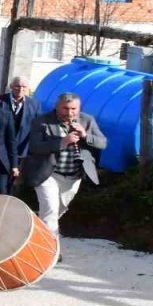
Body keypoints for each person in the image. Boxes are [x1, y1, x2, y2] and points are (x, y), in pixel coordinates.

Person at [21, 92, 106, 238]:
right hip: (48, 174)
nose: (70, 112)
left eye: (74, 109)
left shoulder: (87, 120)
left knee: (57, 211)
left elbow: (103, 143)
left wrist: (85, 136)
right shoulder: (42, 121)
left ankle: (35, 230)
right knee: (50, 211)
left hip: (74, 176)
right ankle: (52, 250)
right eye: (65, 108)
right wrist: (62, 142)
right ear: (57, 106)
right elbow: (35, 147)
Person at [3, 76, 41, 165]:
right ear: (11, 86)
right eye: (17, 86)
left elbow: (38, 126)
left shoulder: (35, 104)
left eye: (24, 87)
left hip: (22, 150)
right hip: (1, 149)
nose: (21, 89)